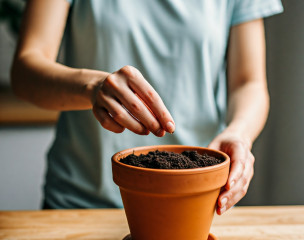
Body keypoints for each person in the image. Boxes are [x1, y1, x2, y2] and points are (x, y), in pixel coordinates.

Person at [11, 0, 283, 214]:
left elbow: (249, 83)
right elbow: (26, 69)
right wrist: (93, 87)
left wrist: (239, 133)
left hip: (197, 202)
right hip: (81, 202)